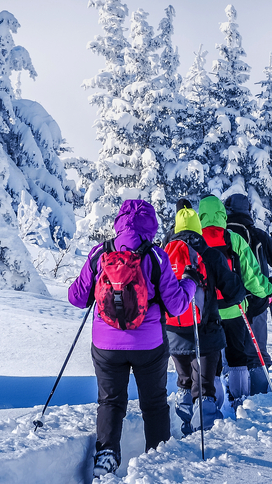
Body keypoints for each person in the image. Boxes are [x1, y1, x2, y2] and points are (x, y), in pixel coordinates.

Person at [68, 199, 196, 477]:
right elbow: (176, 305)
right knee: (154, 403)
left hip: (106, 345)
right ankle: (157, 458)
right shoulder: (156, 256)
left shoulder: (100, 252)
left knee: (110, 401)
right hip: (148, 344)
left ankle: (106, 454)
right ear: (151, 226)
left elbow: (76, 298)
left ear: (119, 222)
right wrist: (190, 282)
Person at [163, 202, 244, 435]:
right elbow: (233, 291)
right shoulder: (210, 254)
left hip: (173, 331)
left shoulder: (163, 254)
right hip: (206, 332)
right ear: (198, 227)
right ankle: (207, 432)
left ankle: (185, 425)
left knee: (184, 382)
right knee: (205, 387)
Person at [197, 194, 272, 403]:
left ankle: (213, 402)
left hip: (206, 311)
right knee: (237, 356)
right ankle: (241, 399)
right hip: (235, 308)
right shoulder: (234, 239)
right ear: (222, 214)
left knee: (212, 360)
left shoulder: (195, 240)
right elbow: (252, 277)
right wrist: (267, 290)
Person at [223, 193, 272, 369]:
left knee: (229, 354)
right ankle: (258, 382)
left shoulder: (221, 236)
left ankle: (230, 382)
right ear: (248, 211)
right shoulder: (257, 235)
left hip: (227, 303)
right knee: (255, 354)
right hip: (257, 301)